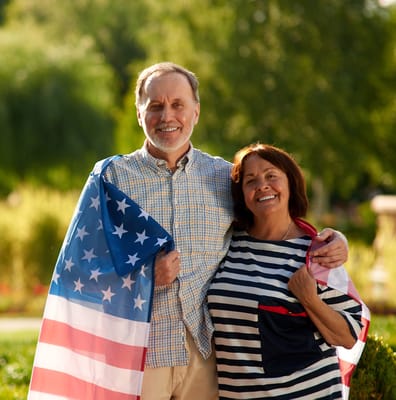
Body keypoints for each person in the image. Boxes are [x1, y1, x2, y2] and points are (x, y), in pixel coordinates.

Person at [29, 62, 350, 400]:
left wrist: (332, 240)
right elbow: (77, 268)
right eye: (155, 106)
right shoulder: (111, 179)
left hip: (207, 358)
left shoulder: (225, 178)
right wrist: (146, 275)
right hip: (141, 354)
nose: (167, 115)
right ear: (140, 114)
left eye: (178, 104)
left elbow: (270, 225)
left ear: (196, 112)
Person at [207, 143, 365, 400]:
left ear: (290, 184)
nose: (262, 185)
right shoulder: (228, 242)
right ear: (242, 193)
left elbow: (348, 336)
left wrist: (309, 298)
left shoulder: (317, 253)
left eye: (271, 175)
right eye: (251, 180)